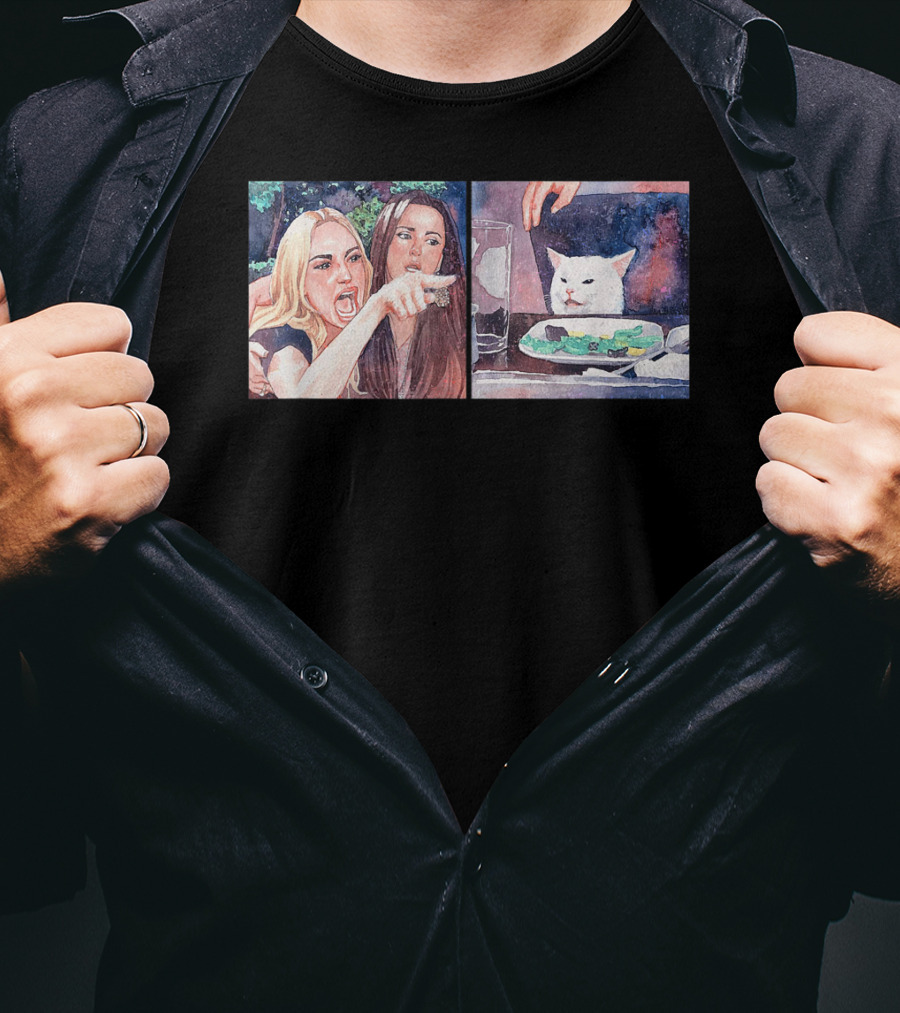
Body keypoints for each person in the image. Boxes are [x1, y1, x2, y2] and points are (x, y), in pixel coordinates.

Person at [2, 0, 900, 1007]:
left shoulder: (859, 149)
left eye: (430, 241)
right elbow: (28, 829)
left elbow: (877, 826)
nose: (408, 259)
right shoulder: (66, 152)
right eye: (398, 243)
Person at [249, 190, 466, 398]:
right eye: (404, 235)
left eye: (353, 258)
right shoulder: (288, 340)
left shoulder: (452, 326)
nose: (346, 275)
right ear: (384, 243)